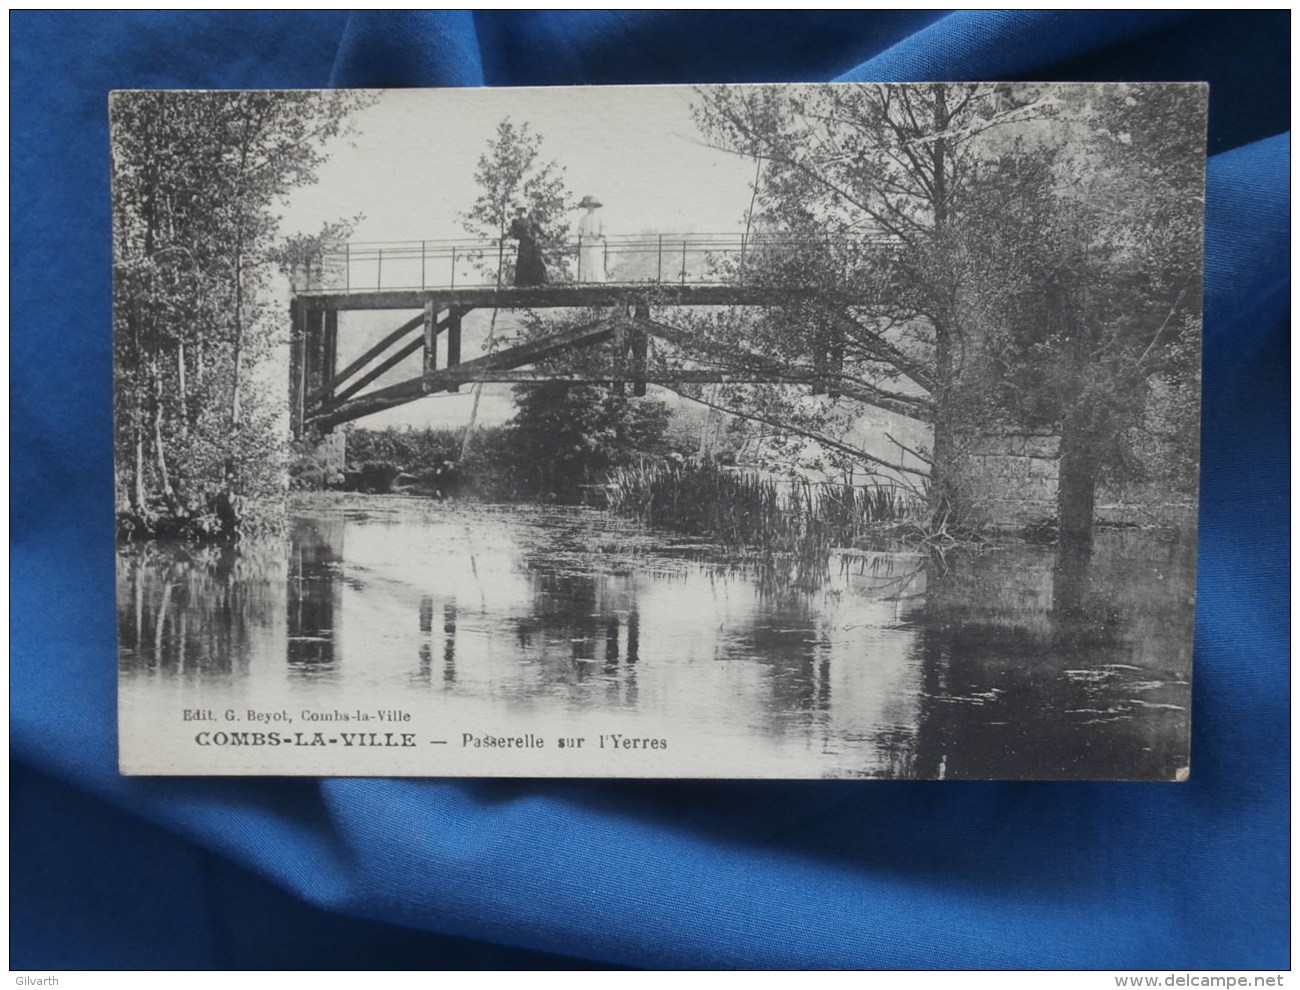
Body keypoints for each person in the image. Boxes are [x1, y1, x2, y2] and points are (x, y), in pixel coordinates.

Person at [509, 205, 548, 286]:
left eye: (522, 210)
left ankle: (539, 282)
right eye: (519, 210)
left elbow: (538, 229)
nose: (520, 212)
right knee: (523, 263)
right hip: (524, 245)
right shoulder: (516, 222)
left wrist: (545, 235)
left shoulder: (530, 220)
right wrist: (523, 235)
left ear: (524, 211)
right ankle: (523, 283)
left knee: (537, 262)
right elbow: (514, 234)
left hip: (532, 245)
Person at [576, 195, 607, 283]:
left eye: (591, 205)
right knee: (586, 261)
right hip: (586, 241)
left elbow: (603, 228)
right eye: (588, 205)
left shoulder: (599, 217)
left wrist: (600, 234)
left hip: (596, 242)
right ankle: (585, 280)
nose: (590, 207)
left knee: (595, 260)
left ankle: (597, 280)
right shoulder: (583, 218)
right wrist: (580, 233)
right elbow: (579, 229)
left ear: (594, 206)